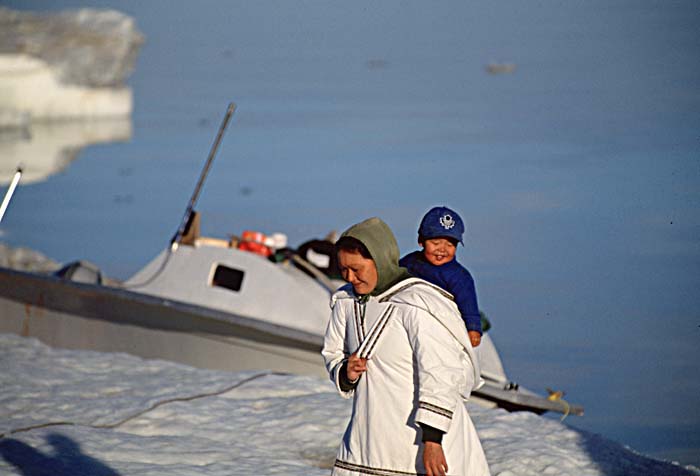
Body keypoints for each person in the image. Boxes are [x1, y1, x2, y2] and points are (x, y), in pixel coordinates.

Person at [322, 217, 490, 476]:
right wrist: (346, 372)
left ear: (379, 259)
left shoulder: (418, 304)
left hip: (425, 440)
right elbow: (332, 352)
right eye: (344, 269)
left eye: (357, 269)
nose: (350, 277)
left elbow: (440, 372)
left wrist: (433, 440)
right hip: (367, 438)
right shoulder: (344, 302)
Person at [399, 206, 483, 347]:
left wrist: (473, 329)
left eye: (450, 244)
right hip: (409, 322)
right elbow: (392, 277)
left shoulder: (460, 276)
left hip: (444, 331)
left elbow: (469, 306)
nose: (442, 249)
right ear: (421, 240)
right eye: (435, 243)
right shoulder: (411, 262)